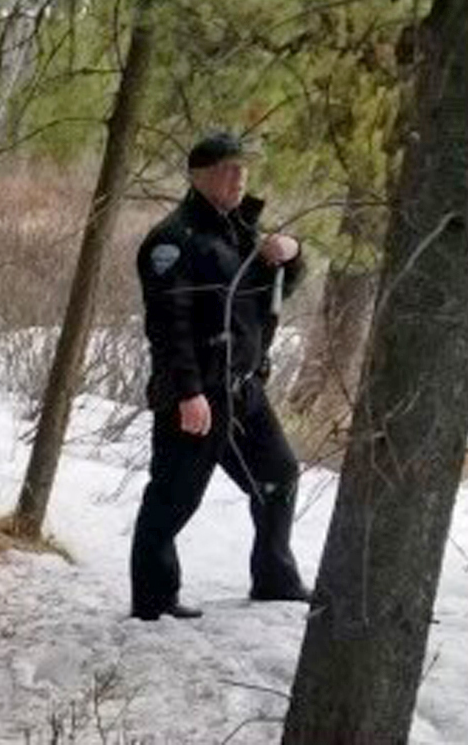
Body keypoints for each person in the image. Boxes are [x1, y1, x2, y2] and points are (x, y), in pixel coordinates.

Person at [130, 131, 312, 620]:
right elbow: (169, 327)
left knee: (278, 476)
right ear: (199, 176)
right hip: (197, 393)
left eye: (243, 167)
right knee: (174, 497)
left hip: (244, 389)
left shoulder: (242, 232)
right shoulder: (172, 241)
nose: (240, 177)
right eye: (229, 168)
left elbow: (275, 291)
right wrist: (189, 392)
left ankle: (275, 579)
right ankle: (153, 601)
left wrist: (292, 256)